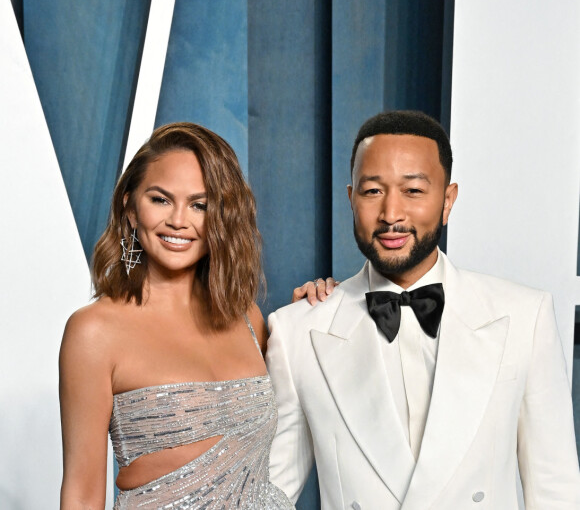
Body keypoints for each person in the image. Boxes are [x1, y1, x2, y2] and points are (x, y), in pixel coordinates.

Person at [267, 110, 580, 509]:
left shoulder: (524, 316)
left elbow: (556, 491)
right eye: (373, 191)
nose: (391, 215)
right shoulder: (296, 332)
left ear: (447, 201)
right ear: (351, 199)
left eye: (413, 191)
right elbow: (270, 495)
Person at [59, 122, 329, 509]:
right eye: (161, 200)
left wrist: (321, 307)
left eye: (199, 205)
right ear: (131, 209)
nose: (179, 221)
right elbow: (82, 497)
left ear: (221, 216)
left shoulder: (247, 319)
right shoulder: (94, 332)